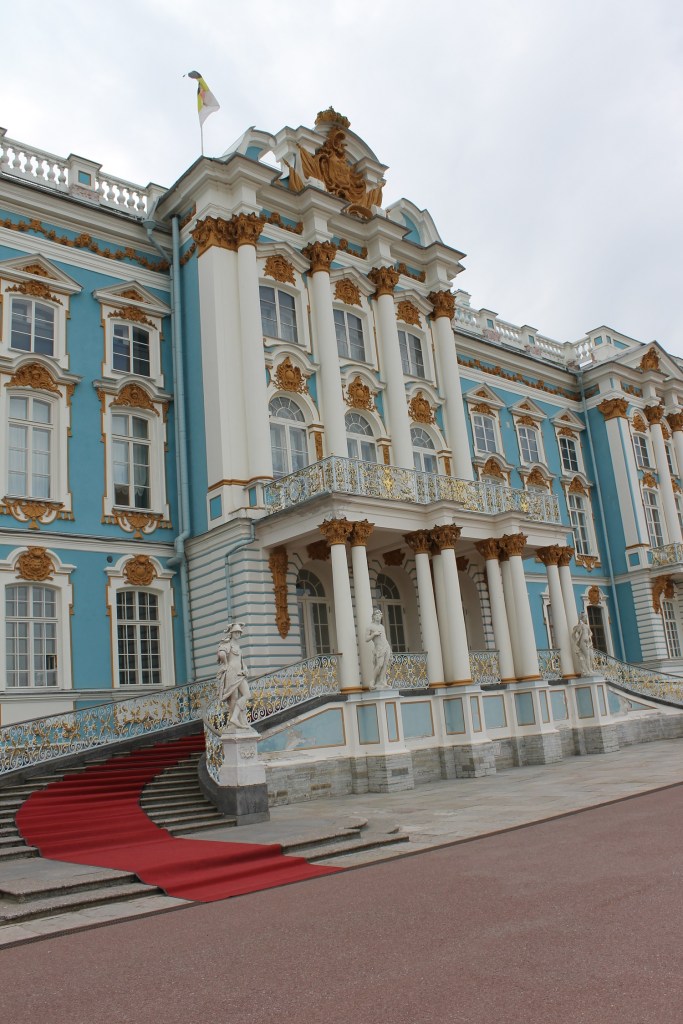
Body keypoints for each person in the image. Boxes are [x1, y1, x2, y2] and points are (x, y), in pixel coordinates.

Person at [216, 623, 251, 729]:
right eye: (235, 632)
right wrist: (226, 664)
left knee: (247, 695)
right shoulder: (228, 644)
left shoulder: (238, 646)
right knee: (234, 697)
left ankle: (235, 718)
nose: (237, 634)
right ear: (231, 633)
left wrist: (245, 669)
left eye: (239, 632)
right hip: (231, 672)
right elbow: (221, 654)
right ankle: (235, 720)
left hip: (240, 673)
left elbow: (241, 661)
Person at [365, 608, 392, 689]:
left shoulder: (382, 626)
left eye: (379, 615)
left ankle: (381, 681)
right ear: (373, 616)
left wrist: (389, 648)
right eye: (376, 615)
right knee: (379, 665)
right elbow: (366, 639)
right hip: (379, 648)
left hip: (386, 646)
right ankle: (372, 682)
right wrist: (374, 634)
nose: (378, 617)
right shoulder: (370, 626)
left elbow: (384, 638)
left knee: (385, 665)